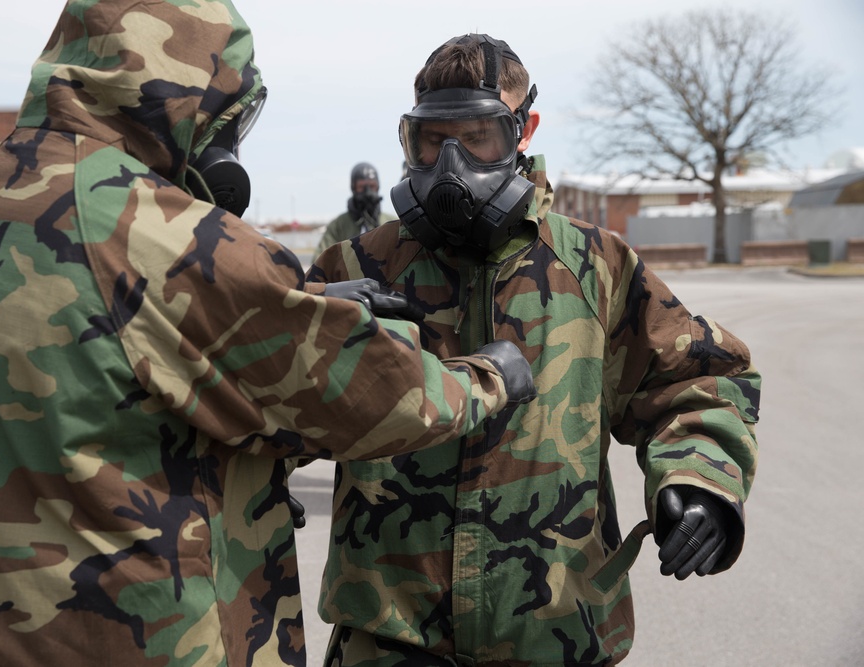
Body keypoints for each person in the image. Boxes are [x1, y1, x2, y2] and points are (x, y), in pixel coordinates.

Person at [0, 8, 538, 665]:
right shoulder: (161, 225)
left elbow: (102, 353)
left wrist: (300, 304)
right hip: (132, 635)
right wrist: (485, 376)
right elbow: (365, 394)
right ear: (185, 98)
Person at [309, 33, 761, 666]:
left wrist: (700, 478)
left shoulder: (594, 264)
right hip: (390, 641)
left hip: (557, 637)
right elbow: (271, 415)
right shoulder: (357, 265)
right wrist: (320, 338)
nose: (451, 166)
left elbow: (699, 384)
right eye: (433, 141)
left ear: (524, 130)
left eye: (478, 138)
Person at [311, 162, 396, 261]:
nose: (368, 192)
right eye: (361, 187)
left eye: (372, 186)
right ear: (353, 188)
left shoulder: (393, 223)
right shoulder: (339, 226)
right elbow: (319, 262)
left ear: (378, 187)